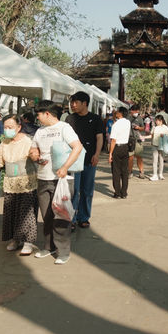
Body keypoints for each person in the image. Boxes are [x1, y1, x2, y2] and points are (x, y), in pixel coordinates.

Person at [29, 100, 83, 265]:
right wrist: (35, 156)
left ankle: (63, 251)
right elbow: (33, 149)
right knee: (46, 215)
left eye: (38, 114)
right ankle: (48, 246)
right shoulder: (40, 131)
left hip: (61, 180)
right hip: (43, 178)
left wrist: (66, 166)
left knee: (61, 215)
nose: (37, 118)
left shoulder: (64, 128)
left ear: (47, 113)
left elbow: (78, 147)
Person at [0, 114, 38, 256]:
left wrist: (35, 156)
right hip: (10, 182)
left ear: (19, 127)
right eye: (5, 127)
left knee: (27, 213)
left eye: (10, 127)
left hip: (26, 182)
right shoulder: (5, 142)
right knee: (11, 212)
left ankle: (28, 242)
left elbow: (35, 156)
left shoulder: (28, 141)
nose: (7, 130)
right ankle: (15, 239)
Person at [65, 91, 104, 230]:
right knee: (74, 191)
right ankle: (72, 218)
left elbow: (99, 137)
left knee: (87, 191)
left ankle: (84, 217)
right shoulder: (69, 119)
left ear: (85, 103)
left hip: (89, 160)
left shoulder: (96, 118)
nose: (72, 105)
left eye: (75, 103)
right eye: (71, 103)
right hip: (73, 161)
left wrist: (97, 154)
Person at [108, 106, 131, 198]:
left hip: (117, 147)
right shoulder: (128, 122)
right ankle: (124, 192)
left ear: (120, 113)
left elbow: (113, 140)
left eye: (117, 111)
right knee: (124, 171)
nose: (116, 113)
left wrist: (110, 153)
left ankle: (117, 192)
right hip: (125, 147)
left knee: (116, 171)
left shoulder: (115, 125)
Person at [149, 115, 168, 181]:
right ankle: (155, 174)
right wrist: (145, 138)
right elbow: (151, 135)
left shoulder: (165, 128)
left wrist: (164, 136)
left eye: (157, 120)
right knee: (155, 160)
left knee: (161, 160)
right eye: (156, 120)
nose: (156, 122)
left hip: (162, 145)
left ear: (161, 121)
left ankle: (160, 174)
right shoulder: (154, 127)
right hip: (155, 145)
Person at [128, 105, 146, 179]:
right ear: (131, 111)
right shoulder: (127, 118)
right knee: (130, 157)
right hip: (129, 139)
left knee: (139, 157)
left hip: (138, 140)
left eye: (138, 111)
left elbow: (143, 128)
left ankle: (141, 172)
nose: (137, 113)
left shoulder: (140, 118)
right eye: (136, 111)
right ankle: (130, 172)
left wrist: (139, 128)